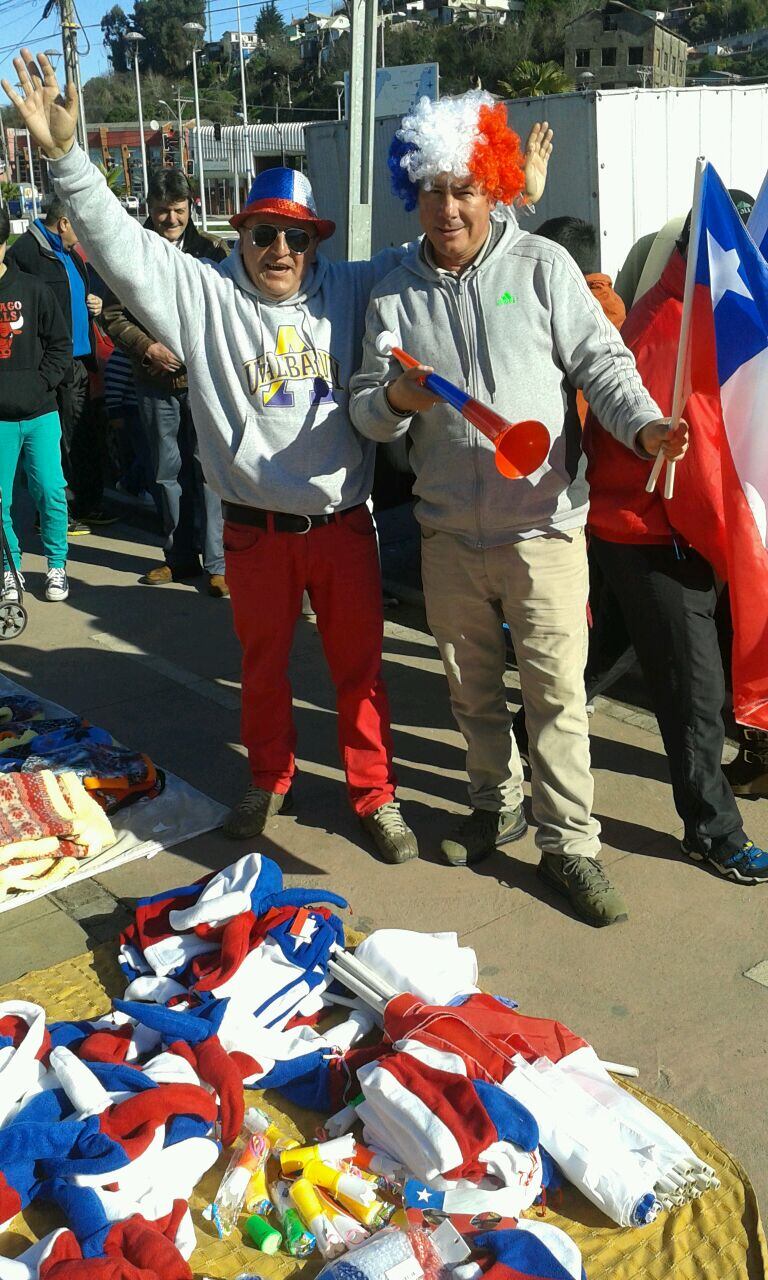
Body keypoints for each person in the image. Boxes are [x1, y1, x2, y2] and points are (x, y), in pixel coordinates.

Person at [4, 51, 553, 866]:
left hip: (341, 525)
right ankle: (269, 776)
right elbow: (120, 245)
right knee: (262, 667)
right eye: (264, 234)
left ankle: (374, 793)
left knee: (360, 671)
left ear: (314, 242)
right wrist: (64, 157)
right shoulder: (205, 298)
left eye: (296, 237)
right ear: (243, 238)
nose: (280, 250)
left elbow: (449, 244)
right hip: (255, 531)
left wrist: (515, 204)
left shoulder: (357, 285)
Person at [350, 91, 687, 926]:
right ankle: (493, 804)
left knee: (556, 697)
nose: (448, 206)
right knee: (469, 693)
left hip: (542, 529)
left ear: (495, 185)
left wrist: (644, 427)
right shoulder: (393, 293)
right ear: (414, 194)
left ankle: (569, 844)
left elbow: (604, 364)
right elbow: (361, 407)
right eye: (432, 189)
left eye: (464, 187)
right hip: (447, 536)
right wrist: (393, 397)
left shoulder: (541, 267)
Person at [584, 206, 768, 884]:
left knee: (600, 657)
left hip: (673, 532)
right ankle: (712, 832)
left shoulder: (709, 317)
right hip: (649, 531)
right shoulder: (667, 326)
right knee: (695, 691)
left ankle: (529, 743)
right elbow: (655, 454)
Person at [103, 168, 229, 597]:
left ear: (190, 206)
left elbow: (231, 309)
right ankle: (178, 557)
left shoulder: (213, 250)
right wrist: (148, 348)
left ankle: (218, 563)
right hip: (154, 382)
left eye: (177, 210)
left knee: (209, 471)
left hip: (204, 381)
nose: (171, 219)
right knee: (165, 473)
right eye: (162, 212)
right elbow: (113, 314)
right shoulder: (131, 252)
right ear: (150, 210)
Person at [9, 195, 111, 531]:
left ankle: (86, 504)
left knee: (82, 437)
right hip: (54, 367)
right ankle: (54, 514)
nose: (82, 235)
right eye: (78, 226)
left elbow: (72, 299)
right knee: (58, 444)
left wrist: (92, 303)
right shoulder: (25, 254)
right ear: (64, 223)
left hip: (81, 362)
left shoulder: (71, 254)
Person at [0, 204, 72, 601]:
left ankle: (57, 565)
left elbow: (60, 346)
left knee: (50, 491)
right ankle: (10, 569)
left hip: (40, 412)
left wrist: (38, 385)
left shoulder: (33, 289)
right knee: (0, 501)